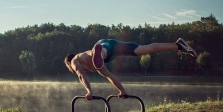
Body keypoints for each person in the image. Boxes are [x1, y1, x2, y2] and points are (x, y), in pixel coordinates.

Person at [64, 38, 196, 100]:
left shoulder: (75, 60)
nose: (71, 69)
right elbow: (110, 76)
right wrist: (122, 91)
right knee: (146, 49)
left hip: (103, 46)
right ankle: (179, 45)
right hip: (115, 49)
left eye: (68, 67)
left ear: (68, 64)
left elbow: (81, 76)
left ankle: (101, 52)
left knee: (100, 52)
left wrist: (88, 91)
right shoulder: (97, 66)